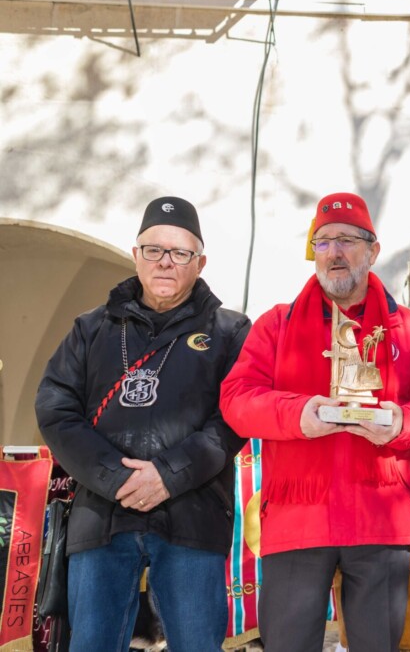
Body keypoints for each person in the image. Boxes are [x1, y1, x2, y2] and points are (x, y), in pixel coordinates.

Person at [219, 192, 410, 651]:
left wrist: (401, 422)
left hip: (382, 516)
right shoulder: (276, 325)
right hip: (297, 520)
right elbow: (236, 399)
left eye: (347, 240)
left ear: (373, 251)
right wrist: (299, 414)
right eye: (323, 242)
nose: (334, 252)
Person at [36, 196, 250, 651]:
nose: (165, 262)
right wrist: (116, 478)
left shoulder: (231, 332)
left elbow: (234, 418)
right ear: (136, 256)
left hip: (193, 516)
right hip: (102, 516)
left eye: (180, 253)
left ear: (200, 262)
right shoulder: (90, 329)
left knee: (196, 644)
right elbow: (55, 407)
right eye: (153, 250)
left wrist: (168, 476)